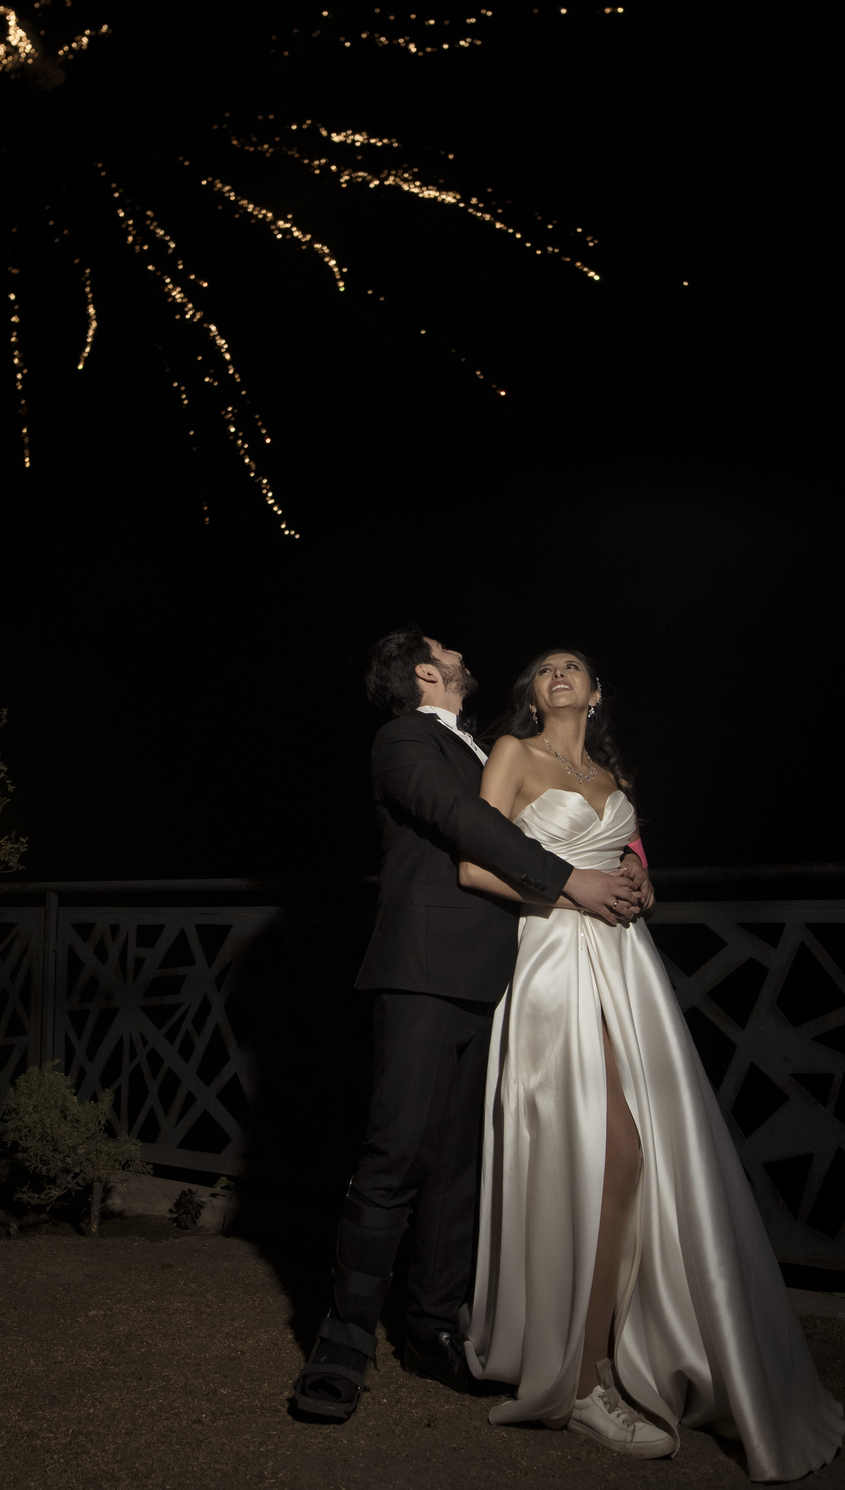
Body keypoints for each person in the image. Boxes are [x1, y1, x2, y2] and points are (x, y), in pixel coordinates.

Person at [458, 648, 842, 1478]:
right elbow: (474, 863)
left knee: (650, 1157)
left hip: (629, 967)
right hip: (556, 961)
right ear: (532, 692)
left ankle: (624, 1340)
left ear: (596, 693)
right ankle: (581, 1378)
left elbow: (634, 865)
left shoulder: (609, 771)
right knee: (613, 1150)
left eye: (575, 665)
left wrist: (635, 882)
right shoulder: (512, 755)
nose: (558, 672)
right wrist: (575, 891)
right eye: (545, 667)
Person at [292, 628, 647, 1419]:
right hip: (420, 971)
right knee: (394, 1152)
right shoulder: (403, 740)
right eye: (446, 650)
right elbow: (464, 822)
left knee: (457, 1167)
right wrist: (571, 884)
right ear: (426, 669)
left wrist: (633, 860)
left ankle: (432, 1333)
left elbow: (573, 802)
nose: (460, 655)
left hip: (500, 977)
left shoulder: (487, 746)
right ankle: (342, 1348)